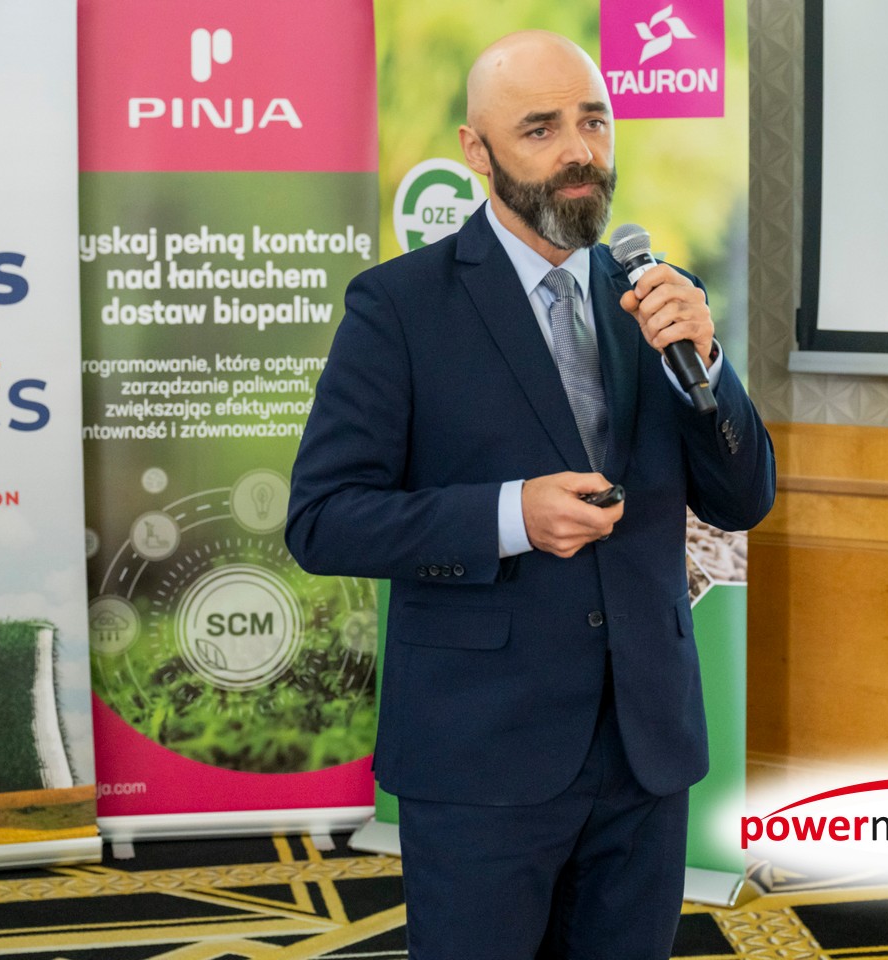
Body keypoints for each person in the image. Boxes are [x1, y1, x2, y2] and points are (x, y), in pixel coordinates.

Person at [286, 30, 774, 960]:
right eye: (541, 129)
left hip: (647, 744)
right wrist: (509, 516)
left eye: (594, 121)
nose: (579, 151)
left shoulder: (660, 297)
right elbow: (323, 520)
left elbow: (742, 498)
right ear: (477, 151)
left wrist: (709, 364)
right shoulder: (399, 308)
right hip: (481, 752)